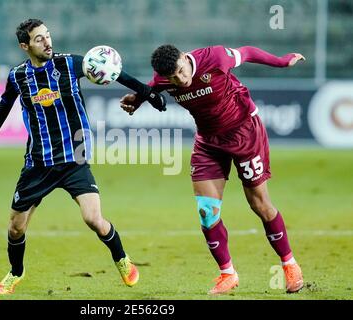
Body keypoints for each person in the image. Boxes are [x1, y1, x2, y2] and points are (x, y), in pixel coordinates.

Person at [0, 18, 166, 295]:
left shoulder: (69, 64)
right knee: (16, 228)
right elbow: (2, 109)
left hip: (74, 158)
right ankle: (16, 272)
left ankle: (122, 259)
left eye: (47, 35)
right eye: (39, 38)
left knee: (94, 219)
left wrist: (148, 93)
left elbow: (116, 72)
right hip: (38, 163)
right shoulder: (18, 77)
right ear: (25, 46)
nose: (47, 41)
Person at [120, 44, 305, 295]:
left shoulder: (215, 58)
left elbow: (248, 52)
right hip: (208, 141)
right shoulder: (164, 78)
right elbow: (151, 88)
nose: (180, 80)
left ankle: (290, 265)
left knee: (260, 204)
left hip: (244, 132)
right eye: (173, 78)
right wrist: (137, 100)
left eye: (181, 71)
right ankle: (228, 273)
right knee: (207, 211)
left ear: (185, 58)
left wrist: (282, 61)